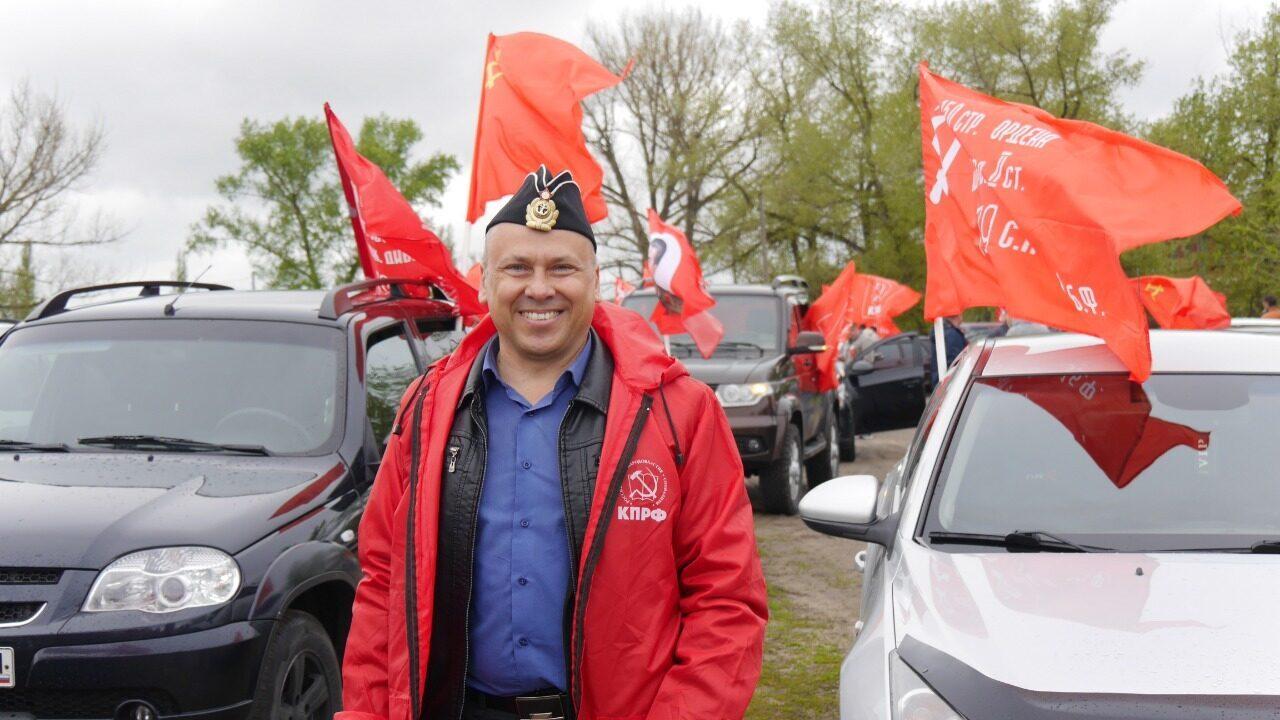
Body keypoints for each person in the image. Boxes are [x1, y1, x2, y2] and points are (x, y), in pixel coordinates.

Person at [339, 166, 767, 720]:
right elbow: (382, 587)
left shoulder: (677, 412)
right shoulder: (426, 409)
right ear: (486, 283)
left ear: (594, 279)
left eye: (561, 268)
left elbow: (726, 601)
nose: (539, 288)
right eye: (516, 267)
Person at [929, 314, 968, 384]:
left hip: (940, 381)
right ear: (957, 315)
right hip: (951, 383)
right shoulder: (952, 335)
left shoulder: (942, 331)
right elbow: (955, 363)